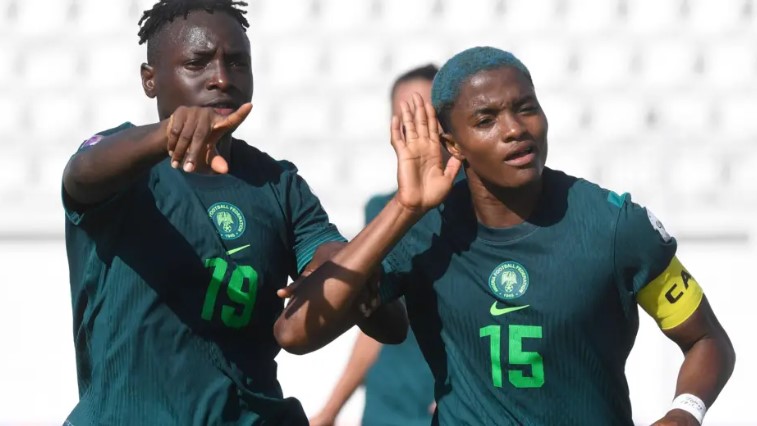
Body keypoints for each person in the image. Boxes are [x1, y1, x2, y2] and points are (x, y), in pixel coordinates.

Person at [275, 47, 735, 425]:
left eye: (526, 108)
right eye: (486, 120)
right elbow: (296, 332)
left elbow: (707, 340)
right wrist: (406, 206)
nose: (514, 129)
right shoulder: (422, 231)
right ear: (452, 144)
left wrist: (685, 412)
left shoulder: (615, 225)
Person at [61, 1, 406, 424]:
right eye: (197, 63)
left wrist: (352, 275)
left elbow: (376, 309)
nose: (222, 78)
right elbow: (80, 175)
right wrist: (167, 135)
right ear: (150, 80)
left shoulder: (278, 184)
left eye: (238, 63)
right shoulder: (120, 165)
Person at [309, 65, 439, 426]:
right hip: (389, 408)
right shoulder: (383, 212)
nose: (414, 124)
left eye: (425, 112)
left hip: (451, 408)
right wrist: (331, 410)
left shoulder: (483, 211)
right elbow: (374, 320)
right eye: (403, 114)